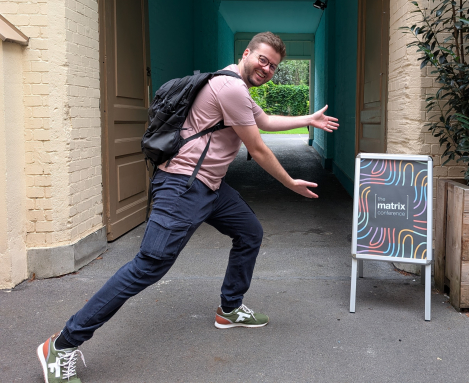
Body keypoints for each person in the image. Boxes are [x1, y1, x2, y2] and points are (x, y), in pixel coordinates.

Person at [37, 32, 339, 383]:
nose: (268, 69)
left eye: (273, 66)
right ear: (247, 53)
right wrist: (290, 183)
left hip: (209, 186)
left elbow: (267, 121)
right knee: (146, 268)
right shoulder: (231, 89)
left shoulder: (233, 84)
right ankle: (62, 345)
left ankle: (229, 309)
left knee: (249, 232)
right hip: (182, 186)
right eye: (263, 60)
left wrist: (309, 119)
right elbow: (257, 148)